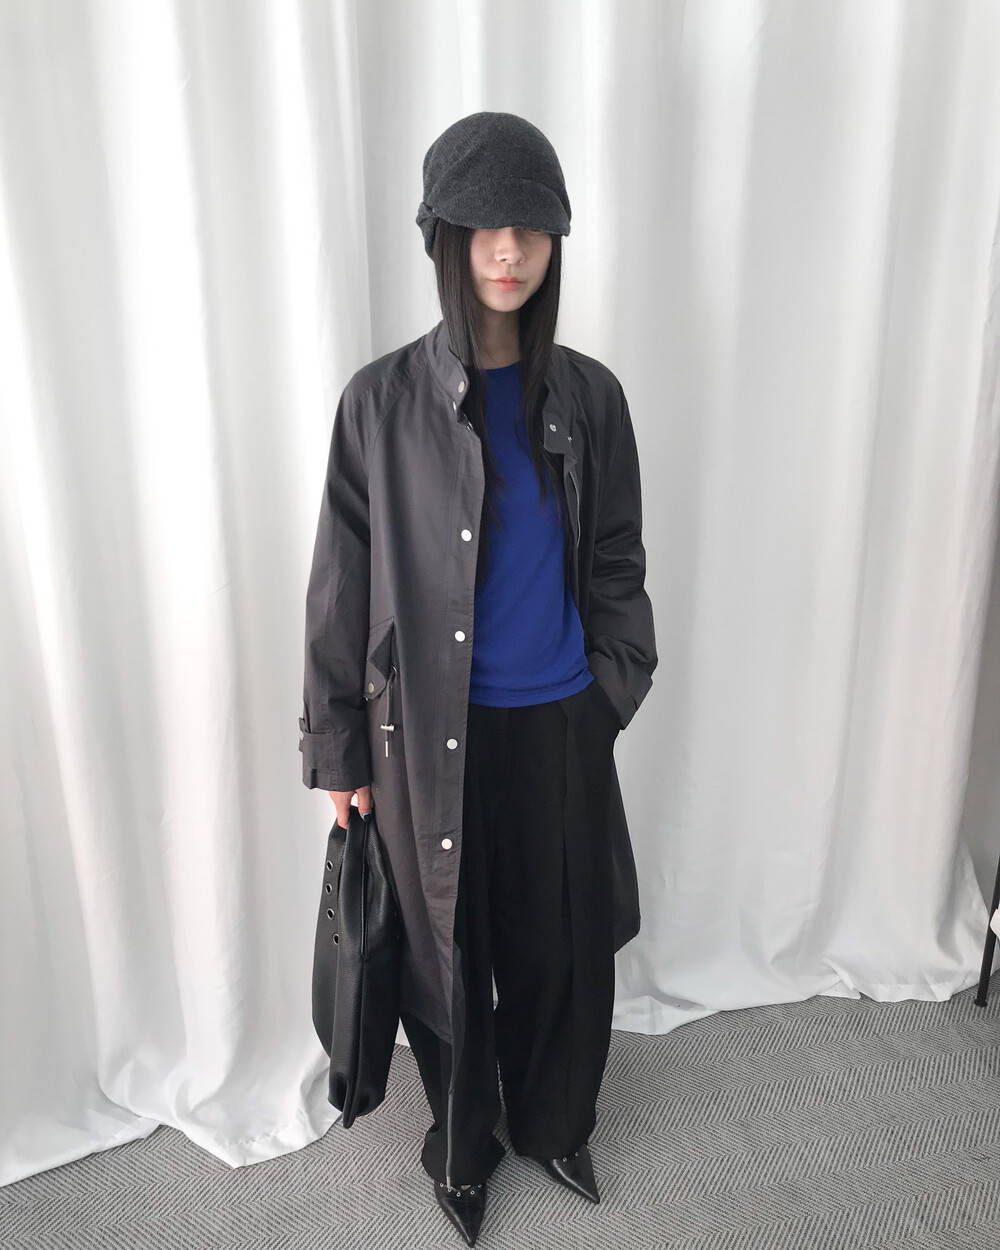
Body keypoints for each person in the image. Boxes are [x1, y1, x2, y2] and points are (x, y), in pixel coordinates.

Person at [299, 110, 656, 1246]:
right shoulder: (379, 404)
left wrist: (610, 689)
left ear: (555, 243)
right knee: (448, 954)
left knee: (560, 945)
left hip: (561, 723)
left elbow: (616, 559)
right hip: (425, 738)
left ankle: (555, 1120)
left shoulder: (591, 398)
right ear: (444, 238)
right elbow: (338, 589)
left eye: (531, 229)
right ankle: (461, 1148)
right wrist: (339, 752)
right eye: (485, 227)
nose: (509, 250)